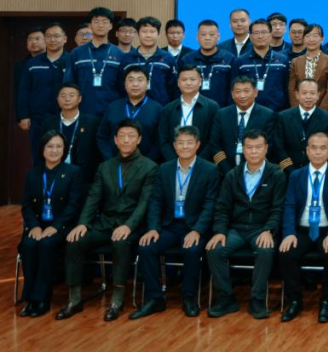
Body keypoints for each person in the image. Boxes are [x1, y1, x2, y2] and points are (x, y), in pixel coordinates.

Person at [57, 119, 157, 322]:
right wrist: (82, 223)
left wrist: (128, 226)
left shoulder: (150, 167)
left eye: (131, 136)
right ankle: (74, 300)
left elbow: (144, 203)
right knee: (74, 241)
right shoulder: (105, 167)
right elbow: (93, 198)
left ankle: (116, 301)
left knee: (120, 243)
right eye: (122, 136)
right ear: (115, 140)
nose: (126, 140)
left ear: (139, 139)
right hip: (105, 223)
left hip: (132, 226)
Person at [130, 125, 219, 319]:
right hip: (169, 226)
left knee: (192, 250)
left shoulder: (210, 170)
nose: (185, 146)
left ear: (198, 145)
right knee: (146, 247)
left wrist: (197, 230)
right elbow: (156, 201)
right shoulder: (164, 169)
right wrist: (153, 228)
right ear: (174, 145)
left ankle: (189, 298)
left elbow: (210, 205)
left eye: (189, 142)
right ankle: (155, 299)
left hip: (194, 226)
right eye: (181, 143)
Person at [206, 129, 287, 319]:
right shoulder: (232, 175)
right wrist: (219, 231)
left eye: (258, 147)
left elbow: (278, 208)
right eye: (249, 147)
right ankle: (226, 298)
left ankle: (257, 300)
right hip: (236, 229)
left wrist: (269, 229)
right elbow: (222, 207)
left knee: (265, 250)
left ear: (266, 148)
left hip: (261, 228)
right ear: (243, 150)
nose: (254, 151)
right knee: (214, 250)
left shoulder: (276, 174)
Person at [278, 132, 328, 323]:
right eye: (314, 148)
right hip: (302, 230)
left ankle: (326, 302)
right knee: (286, 252)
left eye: (323, 148)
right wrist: (289, 233)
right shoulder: (296, 175)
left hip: (327, 230)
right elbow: (289, 205)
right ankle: (294, 300)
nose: (318, 152)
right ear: (307, 151)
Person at [19, 132, 84, 317]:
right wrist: (34, 226)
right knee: (29, 244)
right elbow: (26, 206)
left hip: (61, 227)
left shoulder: (73, 172)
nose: (54, 150)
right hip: (37, 226)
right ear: (42, 149)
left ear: (64, 150)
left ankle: (42, 299)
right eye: (50, 146)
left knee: (46, 245)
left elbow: (73, 206)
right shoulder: (33, 174)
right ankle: (29, 298)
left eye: (58, 146)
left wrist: (55, 226)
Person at [204, 75, 278, 177]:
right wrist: (228, 172)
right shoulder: (222, 114)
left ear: (255, 92)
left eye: (246, 91)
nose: (242, 95)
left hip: (256, 172)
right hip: (224, 172)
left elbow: (269, 146)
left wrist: (251, 169)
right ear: (232, 94)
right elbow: (214, 144)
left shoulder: (268, 115)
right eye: (238, 91)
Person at [17, 22, 71, 155]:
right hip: (38, 118)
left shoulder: (71, 61)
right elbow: (24, 90)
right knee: (39, 155)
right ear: (45, 39)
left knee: (66, 154)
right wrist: (23, 116)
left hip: (66, 117)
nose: (52, 39)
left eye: (56, 36)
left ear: (65, 39)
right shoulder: (32, 63)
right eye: (48, 36)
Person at [65, 7, 125, 116]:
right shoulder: (76, 53)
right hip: (83, 110)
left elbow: (123, 85)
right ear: (90, 25)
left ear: (111, 26)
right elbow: (69, 83)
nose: (100, 25)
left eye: (104, 22)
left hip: (112, 110)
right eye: (96, 22)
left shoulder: (119, 54)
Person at [97, 67, 163, 161]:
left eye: (140, 80)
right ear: (125, 84)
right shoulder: (113, 107)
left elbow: (160, 141)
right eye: (131, 80)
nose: (135, 84)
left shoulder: (157, 109)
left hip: (146, 165)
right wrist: (110, 160)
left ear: (148, 83)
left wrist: (147, 163)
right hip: (115, 163)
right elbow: (102, 137)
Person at [273, 78, 328, 174]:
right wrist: (290, 170)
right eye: (304, 93)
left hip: (316, 172)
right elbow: (279, 147)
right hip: (288, 172)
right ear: (297, 94)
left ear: (318, 95)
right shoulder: (283, 117)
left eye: (312, 93)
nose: (308, 97)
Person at [158, 64, 220, 157]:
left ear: (200, 82)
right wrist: (174, 161)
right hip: (174, 161)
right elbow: (163, 140)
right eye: (184, 80)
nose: (188, 83)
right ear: (178, 83)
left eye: (192, 79)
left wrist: (198, 162)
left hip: (203, 161)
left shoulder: (212, 107)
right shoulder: (168, 109)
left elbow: (213, 140)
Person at [40, 83, 101, 175]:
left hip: (85, 175)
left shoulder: (92, 122)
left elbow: (96, 153)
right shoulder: (48, 123)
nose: (67, 99)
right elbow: (42, 151)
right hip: (55, 174)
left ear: (79, 99)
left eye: (71, 95)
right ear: (58, 99)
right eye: (63, 96)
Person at [231, 19, 291, 112]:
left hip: (278, 112)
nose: (260, 36)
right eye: (256, 33)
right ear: (250, 36)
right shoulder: (241, 61)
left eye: (264, 32)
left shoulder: (283, 60)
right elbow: (234, 89)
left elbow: (287, 89)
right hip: (250, 112)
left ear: (270, 35)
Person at [120, 16, 178, 107]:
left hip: (161, 108)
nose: (148, 35)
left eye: (152, 32)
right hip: (132, 108)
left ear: (158, 34)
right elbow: (120, 85)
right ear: (138, 34)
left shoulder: (168, 58)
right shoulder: (127, 58)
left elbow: (174, 88)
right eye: (144, 31)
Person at [178, 19, 235, 108]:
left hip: (222, 109)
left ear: (218, 36)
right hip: (194, 109)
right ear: (197, 37)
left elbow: (234, 87)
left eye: (211, 34)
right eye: (203, 34)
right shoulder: (187, 60)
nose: (207, 38)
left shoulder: (229, 59)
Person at [289, 24, 328, 112]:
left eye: (315, 36)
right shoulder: (295, 62)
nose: (311, 39)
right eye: (307, 36)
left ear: (322, 39)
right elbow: (292, 89)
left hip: (323, 111)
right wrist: (298, 110)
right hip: (299, 110)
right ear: (303, 39)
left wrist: (320, 112)